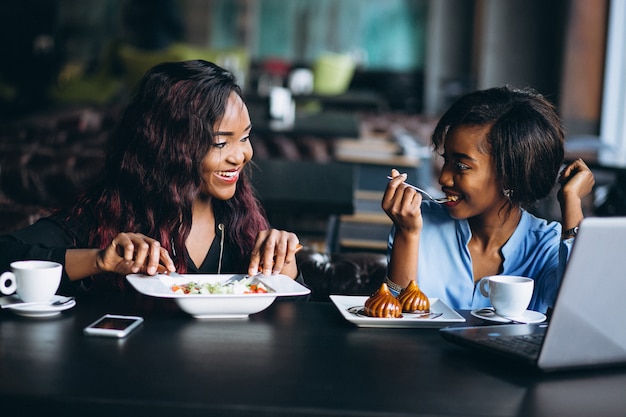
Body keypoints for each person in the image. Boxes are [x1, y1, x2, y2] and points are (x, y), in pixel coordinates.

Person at [0, 60, 302, 294]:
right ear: (171, 146)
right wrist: (98, 260)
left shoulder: (241, 221)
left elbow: (290, 324)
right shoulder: (108, 215)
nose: (241, 156)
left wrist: (287, 269)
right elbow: (7, 255)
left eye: (245, 137)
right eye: (220, 143)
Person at [382, 86, 595, 314]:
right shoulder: (416, 224)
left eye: (462, 166)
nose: (443, 178)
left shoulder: (547, 246)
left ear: (511, 175)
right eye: (446, 160)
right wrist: (408, 235)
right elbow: (393, 317)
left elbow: (583, 310)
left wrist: (571, 201)